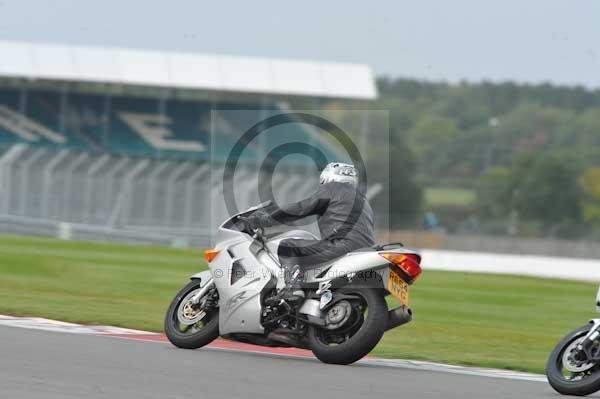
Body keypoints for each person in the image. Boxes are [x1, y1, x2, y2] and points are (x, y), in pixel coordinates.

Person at [244, 162, 375, 303]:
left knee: (288, 247)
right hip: (365, 248)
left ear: (328, 176)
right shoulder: (362, 199)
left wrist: (265, 219)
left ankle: (292, 289)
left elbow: (301, 208)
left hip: (342, 244)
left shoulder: (333, 188)